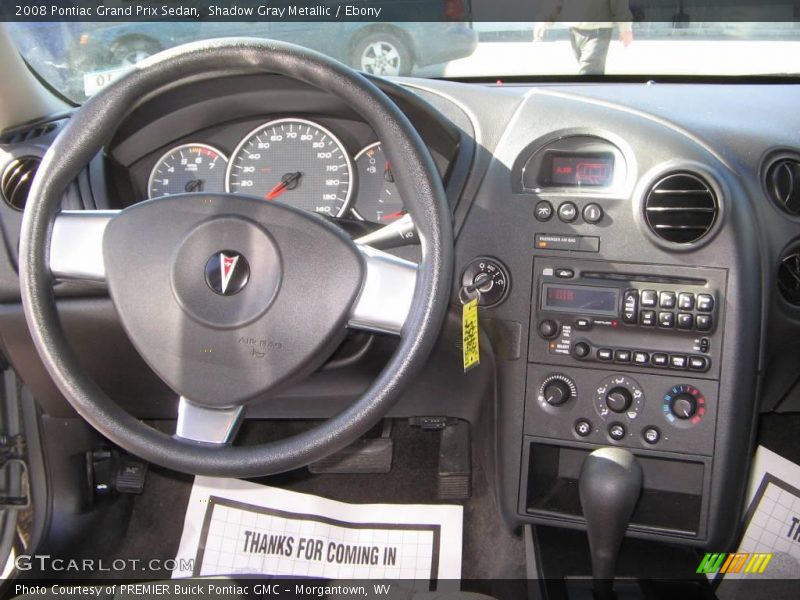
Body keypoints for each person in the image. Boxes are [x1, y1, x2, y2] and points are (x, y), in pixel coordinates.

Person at [534, 0, 634, 75]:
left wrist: (625, 28)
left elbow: (619, 3)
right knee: (588, 71)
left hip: (598, 30)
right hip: (575, 29)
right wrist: (543, 21)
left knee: (589, 71)